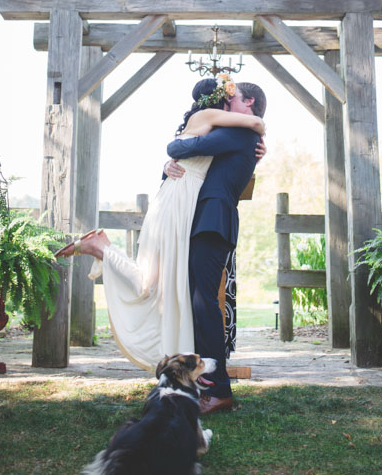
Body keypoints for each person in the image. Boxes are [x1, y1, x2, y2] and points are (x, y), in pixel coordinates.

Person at [54, 75, 265, 374]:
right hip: (180, 208)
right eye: (228, 99)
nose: (230, 103)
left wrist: (258, 146)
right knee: (161, 283)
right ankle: (102, 249)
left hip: (186, 207)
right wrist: (260, 128)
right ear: (219, 100)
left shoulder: (224, 129)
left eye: (234, 98)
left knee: (162, 283)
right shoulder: (213, 120)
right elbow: (179, 150)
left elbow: (205, 156)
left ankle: (103, 249)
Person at [165, 80, 267, 415]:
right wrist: (166, 168)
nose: (226, 102)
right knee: (199, 301)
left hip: (213, 218)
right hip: (204, 219)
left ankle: (220, 389)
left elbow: (182, 149)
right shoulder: (242, 134)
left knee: (204, 303)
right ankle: (203, 380)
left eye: (232, 98)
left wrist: (173, 150)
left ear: (248, 102)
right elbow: (190, 162)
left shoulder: (243, 134)